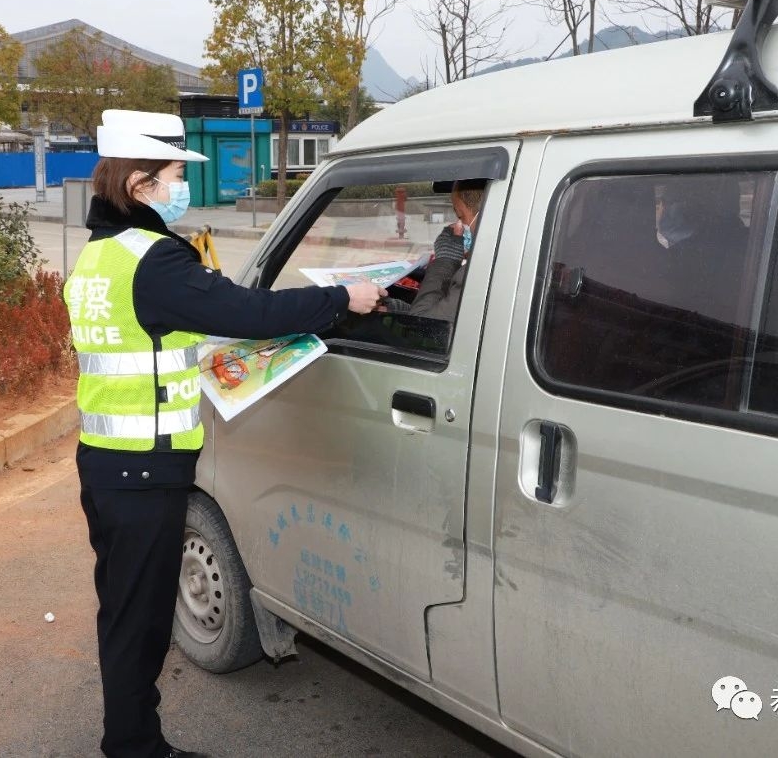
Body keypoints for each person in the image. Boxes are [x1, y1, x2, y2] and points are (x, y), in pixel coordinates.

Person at [65, 110, 384, 758]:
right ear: (139, 183)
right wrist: (340, 299)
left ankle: (129, 736)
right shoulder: (153, 260)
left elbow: (158, 337)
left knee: (123, 610)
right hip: (143, 470)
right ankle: (134, 746)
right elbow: (249, 312)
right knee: (142, 619)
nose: (185, 185)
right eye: (177, 173)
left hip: (107, 462)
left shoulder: (100, 254)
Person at [383, 179, 485, 321]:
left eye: (461, 216)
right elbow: (443, 311)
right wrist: (395, 309)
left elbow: (425, 325)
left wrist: (446, 259)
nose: (458, 225)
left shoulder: (483, 271)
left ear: (485, 216)